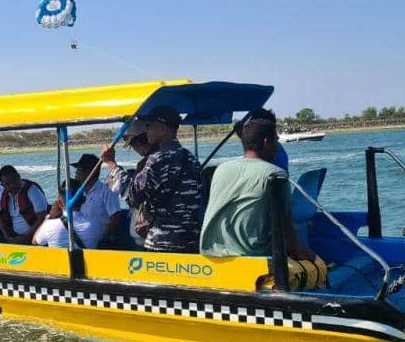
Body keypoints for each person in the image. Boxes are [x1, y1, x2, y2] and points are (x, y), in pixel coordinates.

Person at [200, 115, 316, 260]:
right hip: (252, 255)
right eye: (276, 140)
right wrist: (306, 254)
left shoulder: (221, 169)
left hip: (212, 252)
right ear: (267, 143)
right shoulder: (275, 174)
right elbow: (285, 227)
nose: (277, 146)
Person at [103, 105, 201, 253]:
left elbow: (132, 196)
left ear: (163, 129)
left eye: (150, 126)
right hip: (191, 241)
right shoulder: (191, 158)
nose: (147, 130)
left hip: (163, 242)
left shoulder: (158, 159)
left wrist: (112, 165)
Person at [101, 120, 158, 248]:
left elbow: (134, 197)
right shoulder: (162, 158)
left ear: (139, 141)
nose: (134, 149)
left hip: (152, 235)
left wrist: (111, 164)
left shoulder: (149, 163)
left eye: (132, 145)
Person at [32, 179, 103, 249]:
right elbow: (100, 239)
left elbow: (35, 242)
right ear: (83, 200)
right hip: (87, 257)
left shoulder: (50, 225)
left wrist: (49, 217)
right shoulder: (95, 223)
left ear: (59, 203)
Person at [70, 153, 122, 247]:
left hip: (100, 241)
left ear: (90, 172)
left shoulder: (106, 192)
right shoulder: (78, 192)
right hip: (80, 238)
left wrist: (103, 239)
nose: (76, 172)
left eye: (79, 169)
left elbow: (115, 218)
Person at [0, 165, 48, 244]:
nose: (12, 185)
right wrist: (7, 237)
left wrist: (26, 237)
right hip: (13, 237)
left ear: (19, 176)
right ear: (2, 185)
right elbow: (1, 217)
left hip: (34, 238)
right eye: (8, 184)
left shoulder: (32, 190)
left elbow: (42, 217)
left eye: (14, 181)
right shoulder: (2, 194)